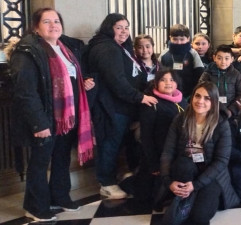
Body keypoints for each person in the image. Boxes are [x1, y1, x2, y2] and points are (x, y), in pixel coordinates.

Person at [10, 8, 94, 222]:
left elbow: (68, 80)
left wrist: (83, 83)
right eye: (46, 22)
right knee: (39, 163)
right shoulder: (28, 50)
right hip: (46, 117)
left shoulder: (65, 48)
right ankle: (35, 206)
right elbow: (25, 91)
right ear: (36, 27)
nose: (53, 25)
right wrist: (39, 123)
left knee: (61, 159)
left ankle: (59, 197)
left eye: (56, 21)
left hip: (66, 118)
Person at [85, 13, 158, 199]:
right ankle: (106, 183)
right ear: (109, 28)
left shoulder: (120, 47)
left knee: (118, 144)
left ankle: (116, 177)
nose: (124, 31)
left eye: (126, 27)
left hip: (124, 107)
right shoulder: (106, 48)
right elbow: (116, 81)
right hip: (112, 108)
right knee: (109, 144)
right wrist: (139, 97)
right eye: (119, 27)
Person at [160, 82, 239, 225]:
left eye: (207, 98)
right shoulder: (180, 119)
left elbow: (221, 161)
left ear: (214, 102)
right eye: (197, 96)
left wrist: (195, 185)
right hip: (185, 169)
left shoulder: (221, 124)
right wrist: (168, 181)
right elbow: (168, 152)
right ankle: (184, 198)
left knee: (199, 218)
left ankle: (190, 198)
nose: (200, 101)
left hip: (211, 176)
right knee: (183, 163)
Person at [136, 70, 186, 203]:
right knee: (150, 196)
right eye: (163, 80)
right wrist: (153, 163)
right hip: (158, 154)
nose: (168, 83)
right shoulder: (152, 103)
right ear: (156, 83)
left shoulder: (183, 101)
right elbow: (146, 137)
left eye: (172, 80)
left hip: (177, 152)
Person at [159, 24, 205, 98]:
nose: (179, 42)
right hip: (168, 93)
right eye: (175, 39)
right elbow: (158, 73)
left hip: (189, 94)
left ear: (188, 38)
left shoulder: (193, 53)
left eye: (182, 39)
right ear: (170, 38)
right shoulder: (164, 53)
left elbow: (200, 74)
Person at [198, 45, 241, 117]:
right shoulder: (208, 73)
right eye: (219, 58)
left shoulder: (236, 74)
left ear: (232, 59)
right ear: (214, 58)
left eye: (227, 58)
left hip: (230, 113)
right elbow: (201, 90)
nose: (223, 62)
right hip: (210, 110)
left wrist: (232, 110)